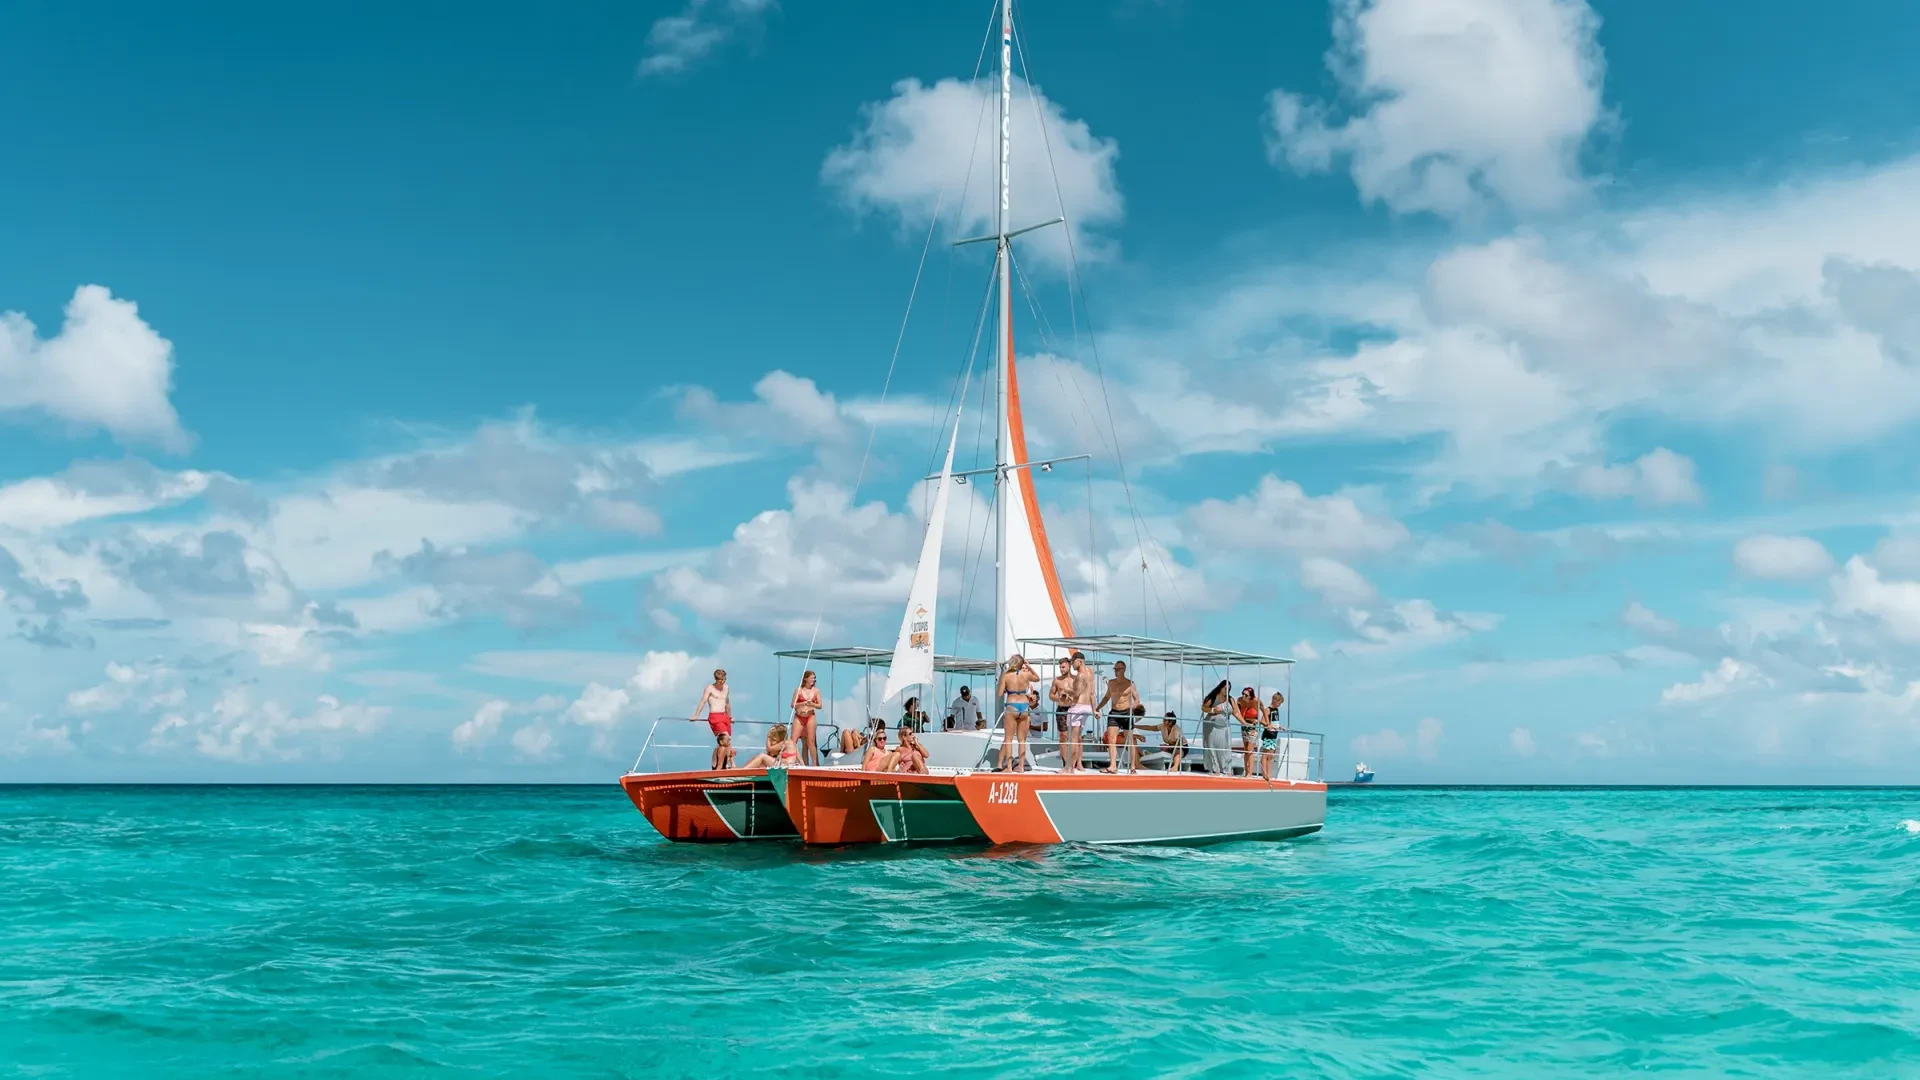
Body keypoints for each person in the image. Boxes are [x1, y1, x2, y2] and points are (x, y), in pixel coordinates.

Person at [1094, 659, 1141, 773]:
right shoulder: (1111, 683)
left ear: (1124, 670)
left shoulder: (1130, 683)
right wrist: (1097, 708)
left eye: (1118, 669)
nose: (1116, 671)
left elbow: (1136, 699)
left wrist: (1134, 709)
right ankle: (1113, 766)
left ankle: (1133, 766)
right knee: (1111, 739)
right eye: (1115, 669)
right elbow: (1106, 697)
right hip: (1114, 712)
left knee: (1129, 741)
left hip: (1126, 712)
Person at [996, 654, 1037, 771]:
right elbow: (1037, 678)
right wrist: (1029, 667)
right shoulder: (1026, 674)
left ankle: (1009, 767)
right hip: (1024, 706)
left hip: (1012, 705)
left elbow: (999, 694)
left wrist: (1005, 688)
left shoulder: (1006, 675)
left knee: (1008, 739)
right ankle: (1021, 767)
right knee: (1022, 740)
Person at [692, 668, 735, 770]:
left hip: (724, 715)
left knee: (729, 741)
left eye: (724, 679)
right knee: (725, 738)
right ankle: (723, 765)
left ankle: (729, 763)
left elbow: (727, 703)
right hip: (715, 716)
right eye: (720, 680)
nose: (722, 682)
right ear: (716, 679)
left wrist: (730, 716)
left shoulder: (726, 688)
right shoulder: (709, 688)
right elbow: (703, 701)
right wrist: (696, 715)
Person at [1061, 654, 1096, 772]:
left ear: (1080, 661)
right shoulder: (1090, 672)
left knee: (1072, 740)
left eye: (1073, 661)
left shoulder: (1080, 676)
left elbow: (1076, 693)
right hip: (1087, 707)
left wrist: (1066, 689)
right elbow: (1092, 693)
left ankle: (1069, 767)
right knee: (1077, 739)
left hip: (1077, 707)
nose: (1071, 664)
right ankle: (1073, 766)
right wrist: (1094, 709)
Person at [1200, 680, 1235, 774]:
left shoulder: (1230, 699)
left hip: (1224, 726)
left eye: (1229, 689)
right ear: (1221, 687)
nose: (1227, 690)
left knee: (1225, 747)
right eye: (1225, 688)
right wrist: (1213, 710)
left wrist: (1244, 723)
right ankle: (1215, 768)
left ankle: (1226, 768)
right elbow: (1203, 708)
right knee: (1212, 745)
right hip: (1211, 725)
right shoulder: (1213, 697)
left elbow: (1236, 712)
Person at [790, 670, 822, 766]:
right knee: (793, 741)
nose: (813, 680)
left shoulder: (816, 691)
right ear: (806, 679)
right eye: (812, 678)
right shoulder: (798, 690)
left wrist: (812, 704)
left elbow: (820, 705)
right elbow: (793, 704)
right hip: (799, 716)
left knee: (811, 742)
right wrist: (802, 703)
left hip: (810, 716)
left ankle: (815, 765)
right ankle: (799, 762)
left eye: (814, 678)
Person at [1258, 692, 1289, 779]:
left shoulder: (1276, 710)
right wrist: (1268, 725)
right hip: (1268, 734)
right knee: (1266, 754)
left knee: (1271, 756)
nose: (1279, 705)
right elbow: (1262, 721)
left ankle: (1269, 773)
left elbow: (1275, 722)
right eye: (1279, 703)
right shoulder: (1268, 709)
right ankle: (1265, 774)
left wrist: (1280, 727)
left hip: (1274, 734)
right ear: (1274, 700)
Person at [1237, 686, 1265, 777]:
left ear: (1250, 696)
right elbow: (1237, 713)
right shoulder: (1240, 700)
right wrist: (1244, 721)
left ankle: (1250, 772)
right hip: (1244, 726)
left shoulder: (1256, 701)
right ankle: (1246, 772)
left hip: (1253, 727)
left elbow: (1264, 711)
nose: (1243, 696)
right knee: (1246, 750)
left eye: (1246, 695)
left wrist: (1265, 723)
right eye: (1243, 694)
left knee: (1250, 749)